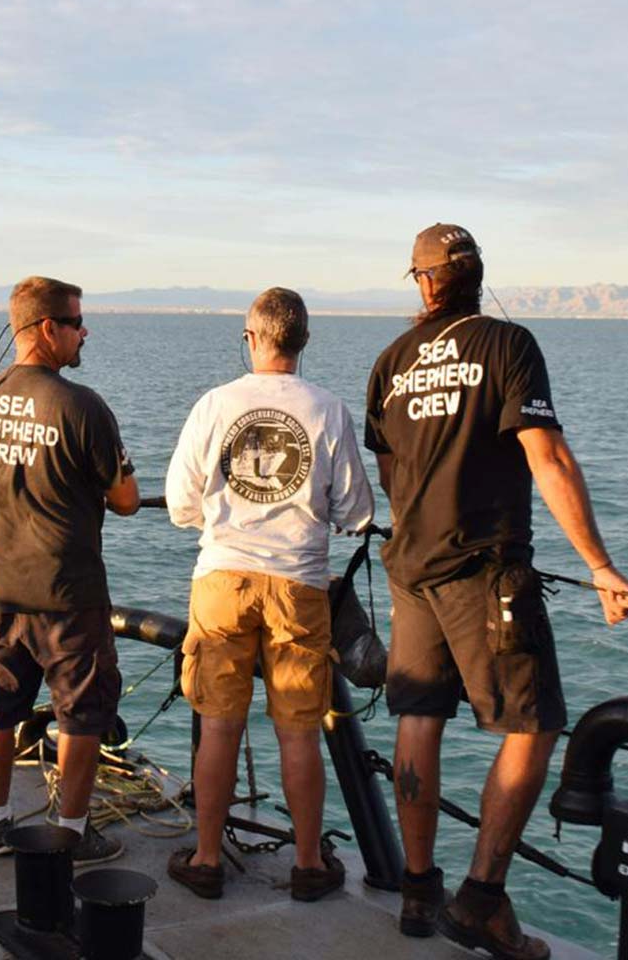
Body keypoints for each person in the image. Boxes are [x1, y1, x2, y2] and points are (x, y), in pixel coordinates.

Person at [365, 224, 628, 959]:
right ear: (477, 276)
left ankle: (417, 888)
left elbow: (390, 472)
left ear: (421, 282)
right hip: (486, 570)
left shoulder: (391, 362)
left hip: (410, 566)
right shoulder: (509, 346)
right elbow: (545, 456)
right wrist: (600, 563)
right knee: (533, 726)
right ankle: (481, 899)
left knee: (419, 716)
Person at [162, 288, 374, 902]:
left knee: (219, 724)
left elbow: (180, 503)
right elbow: (357, 513)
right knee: (299, 733)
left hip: (222, 580)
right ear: (303, 342)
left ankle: (206, 860)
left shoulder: (214, 405)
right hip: (300, 586)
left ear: (251, 338)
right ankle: (308, 865)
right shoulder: (328, 410)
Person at [0, 275, 139, 865]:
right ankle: (72, 833)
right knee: (81, 711)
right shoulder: (82, 407)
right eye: (78, 322)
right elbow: (126, 499)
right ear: (48, 329)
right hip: (66, 593)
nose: (86, 332)